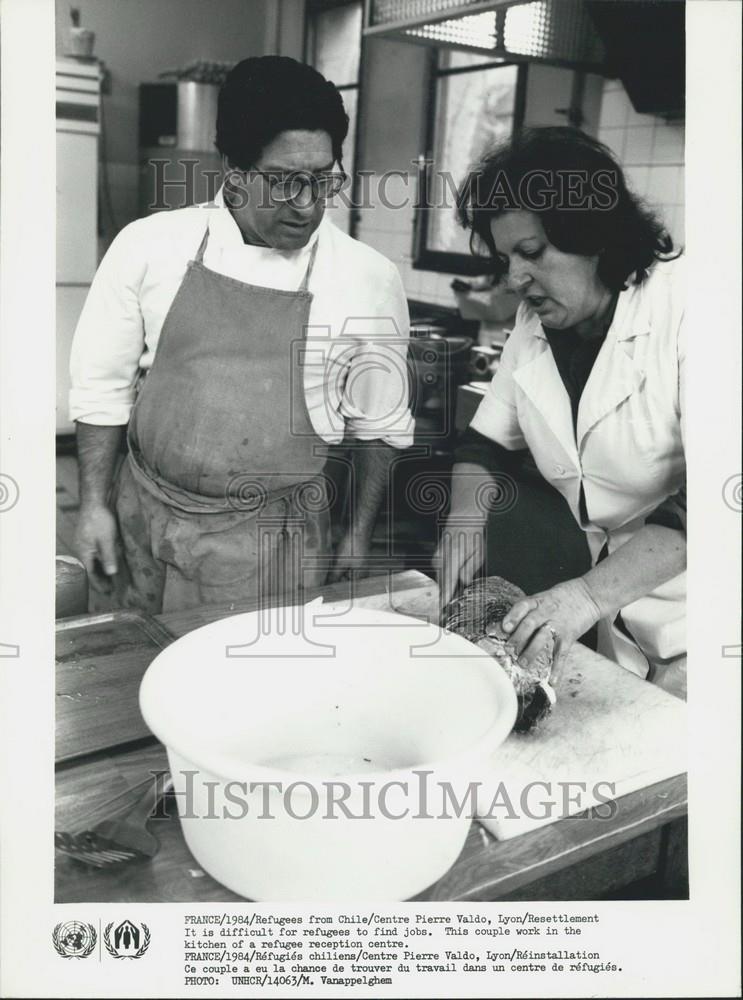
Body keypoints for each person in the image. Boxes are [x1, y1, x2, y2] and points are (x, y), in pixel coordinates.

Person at [70, 56, 413, 613]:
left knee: (249, 692)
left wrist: (356, 534)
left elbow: (380, 424)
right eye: (283, 182)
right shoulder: (149, 246)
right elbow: (100, 389)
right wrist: (93, 506)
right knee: (137, 676)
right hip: (144, 517)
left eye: (323, 179)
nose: (306, 204)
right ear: (232, 168)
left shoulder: (367, 279)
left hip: (271, 546)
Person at [438, 127, 686, 698]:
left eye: (532, 253)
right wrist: (463, 524)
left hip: (702, 620)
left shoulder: (692, 310)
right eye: (506, 258)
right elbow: (484, 446)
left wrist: (586, 596)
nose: (515, 279)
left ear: (595, 236)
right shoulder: (535, 327)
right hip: (610, 616)